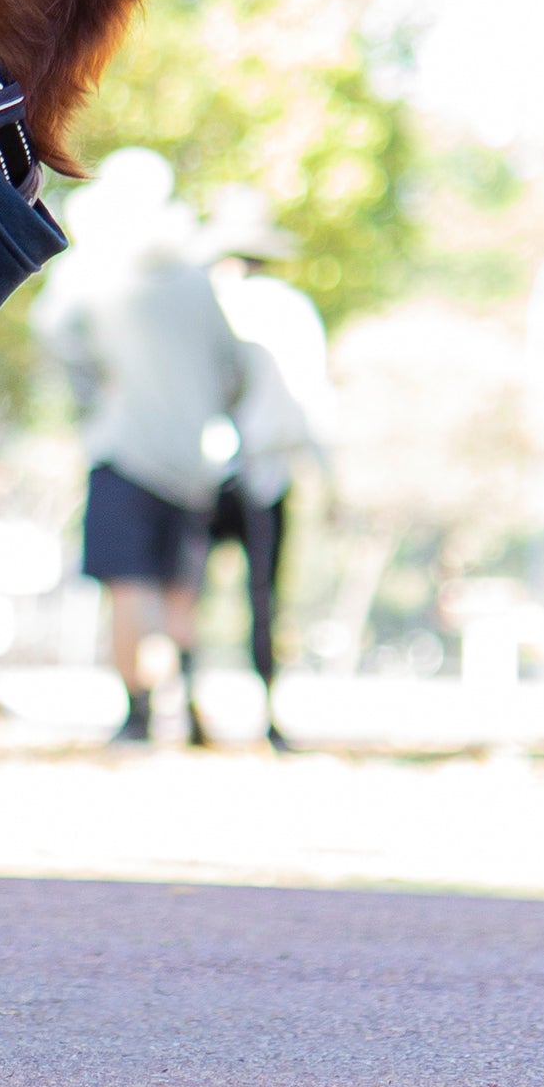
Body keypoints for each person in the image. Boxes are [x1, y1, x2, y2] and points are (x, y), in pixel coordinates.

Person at [34, 149, 247, 744]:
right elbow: (235, 370)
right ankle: (194, 709)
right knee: (181, 589)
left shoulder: (89, 270)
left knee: (131, 587)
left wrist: (95, 395)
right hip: (191, 460)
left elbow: (55, 337)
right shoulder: (195, 280)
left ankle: (140, 713)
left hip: (124, 449)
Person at [200, 187, 331, 751]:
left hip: (202, 468)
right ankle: (270, 719)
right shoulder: (291, 308)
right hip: (266, 472)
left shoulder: (199, 304)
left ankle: (183, 705)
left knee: (190, 591)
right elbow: (312, 399)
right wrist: (326, 470)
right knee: (264, 597)